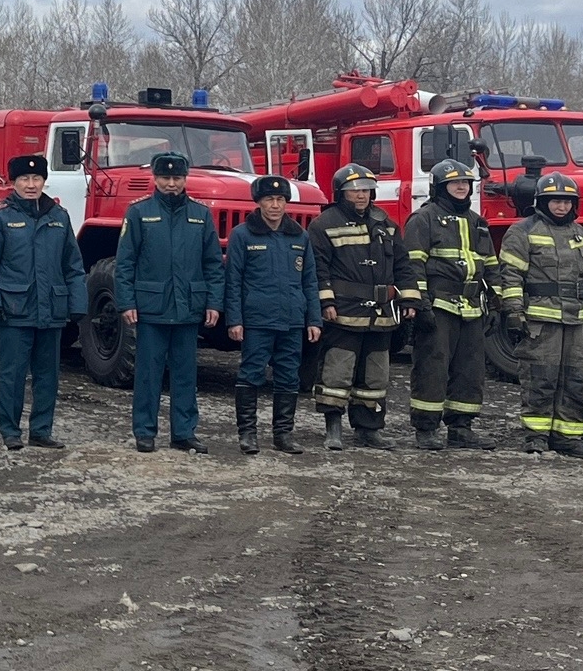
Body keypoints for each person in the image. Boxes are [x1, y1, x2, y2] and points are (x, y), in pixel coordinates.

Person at [0, 155, 84, 451]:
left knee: (48, 376)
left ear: (44, 181)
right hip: (14, 309)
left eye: (36, 179)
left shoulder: (59, 216)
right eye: (24, 179)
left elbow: (73, 265)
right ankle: (10, 431)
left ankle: (41, 430)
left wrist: (78, 304)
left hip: (52, 310)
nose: (31, 184)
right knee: (12, 375)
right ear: (14, 182)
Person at [115, 152, 223, 453]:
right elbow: (125, 263)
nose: (172, 183)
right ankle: (145, 431)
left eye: (177, 178)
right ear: (156, 178)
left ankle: (184, 433)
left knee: (186, 374)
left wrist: (214, 303)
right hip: (151, 308)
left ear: (185, 179)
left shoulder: (200, 215)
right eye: (166, 178)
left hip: (188, 308)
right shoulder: (138, 213)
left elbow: (213, 263)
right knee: (148, 374)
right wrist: (126, 303)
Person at [311, 163, 420, 451]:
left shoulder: (385, 223)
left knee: (375, 374)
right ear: (341, 193)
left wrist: (409, 299)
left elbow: (402, 265)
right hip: (343, 312)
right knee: (337, 371)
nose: (360, 195)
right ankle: (333, 428)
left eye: (365, 190)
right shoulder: (324, 224)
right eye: (353, 191)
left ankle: (369, 430)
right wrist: (326, 301)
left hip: (380, 315)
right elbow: (318, 268)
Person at [494, 172, 583, 459]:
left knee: (576, 380)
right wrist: (514, 312)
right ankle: (536, 436)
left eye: (567, 202)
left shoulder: (579, 233)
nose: (562, 207)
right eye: (555, 201)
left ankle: (568, 437)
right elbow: (511, 276)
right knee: (540, 379)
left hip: (576, 322)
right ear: (542, 202)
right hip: (541, 323)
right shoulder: (522, 231)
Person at [402, 159, 500, 451]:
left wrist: (497, 303)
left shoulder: (477, 221)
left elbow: (490, 264)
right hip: (439, 305)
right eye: (454, 183)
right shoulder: (423, 219)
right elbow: (413, 265)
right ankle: (426, 428)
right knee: (432, 367)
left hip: (471, 307)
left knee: (470, 370)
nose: (461, 187)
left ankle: (461, 428)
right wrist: (421, 305)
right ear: (439, 187)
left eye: (466, 183)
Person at [221, 176, 322, 455]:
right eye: (269, 199)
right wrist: (235, 320)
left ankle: (283, 434)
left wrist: (313, 319)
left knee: (289, 378)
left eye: (280, 200)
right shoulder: (243, 235)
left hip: (291, 320)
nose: (275, 205)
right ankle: (248, 434)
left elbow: (310, 281)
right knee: (251, 374)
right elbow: (233, 281)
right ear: (259, 202)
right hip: (256, 320)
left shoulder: (300, 236)